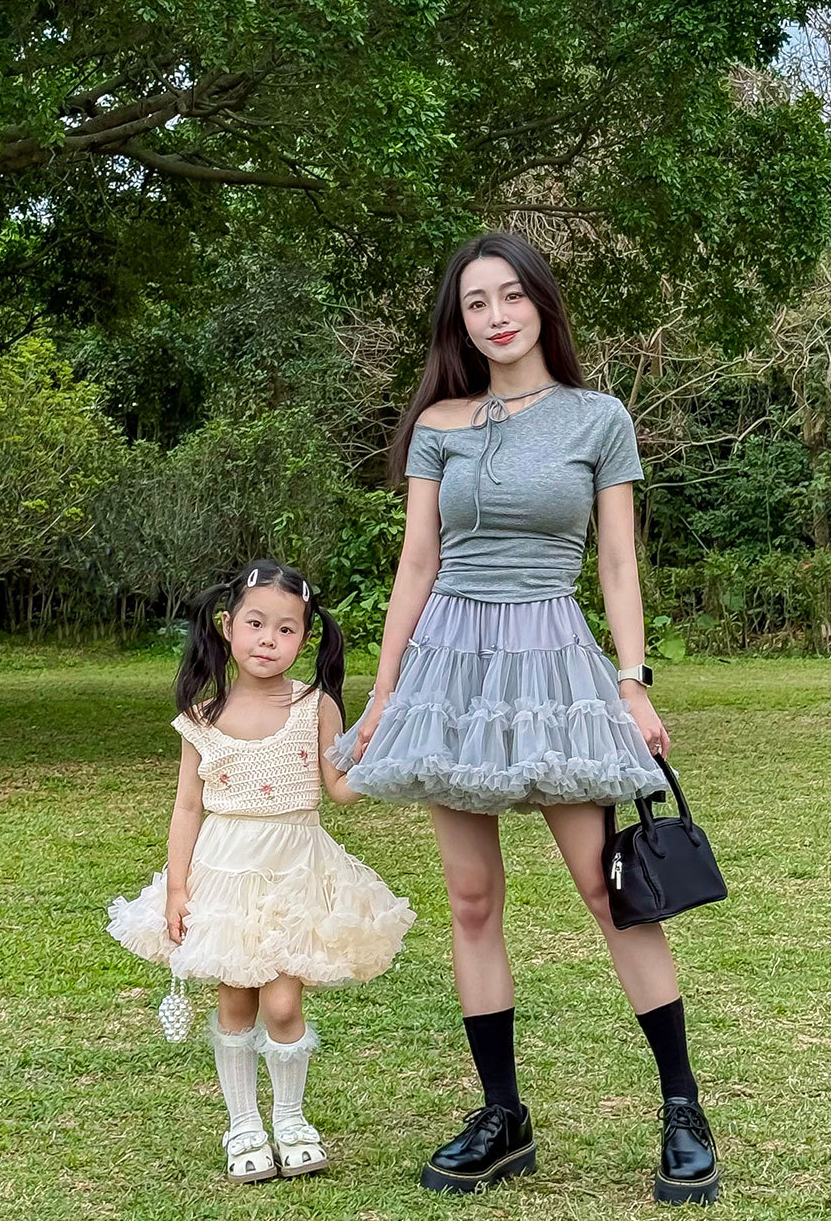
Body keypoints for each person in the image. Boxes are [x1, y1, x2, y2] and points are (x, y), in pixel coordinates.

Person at [329, 232, 720, 1205]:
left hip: (552, 661)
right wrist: (384, 697)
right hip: (452, 670)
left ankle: (682, 1108)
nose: (496, 315)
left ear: (542, 303)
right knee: (471, 900)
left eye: (511, 295)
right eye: (476, 303)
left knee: (607, 889)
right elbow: (417, 564)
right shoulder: (439, 424)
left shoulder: (598, 418)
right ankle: (503, 1117)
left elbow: (617, 562)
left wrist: (632, 679)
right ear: (457, 322)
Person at [107, 559, 415, 1183]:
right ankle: (243, 1124)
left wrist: (377, 748)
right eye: (255, 624)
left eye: (286, 629)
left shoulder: (315, 706)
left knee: (281, 1003)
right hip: (224, 875)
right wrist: (176, 887)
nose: (268, 640)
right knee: (236, 1000)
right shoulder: (201, 718)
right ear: (228, 627)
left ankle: (292, 1118)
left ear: (305, 638)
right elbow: (187, 807)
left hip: (294, 875)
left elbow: (339, 789)